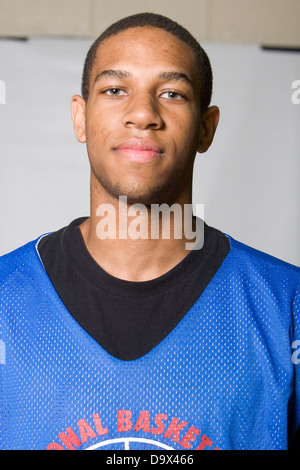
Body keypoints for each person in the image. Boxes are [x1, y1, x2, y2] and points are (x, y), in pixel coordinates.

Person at [0, 12, 299, 452]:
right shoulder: (6, 299)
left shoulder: (287, 306)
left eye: (172, 93)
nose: (143, 113)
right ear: (80, 118)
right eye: (116, 90)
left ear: (206, 127)